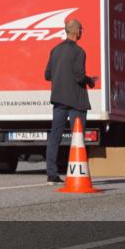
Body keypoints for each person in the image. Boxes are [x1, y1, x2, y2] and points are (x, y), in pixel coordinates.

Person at [43, 19, 95, 186]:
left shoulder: (55, 50)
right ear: (77, 31)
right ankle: (80, 173)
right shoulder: (79, 52)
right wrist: (90, 80)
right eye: (81, 29)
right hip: (76, 101)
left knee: (54, 137)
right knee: (77, 138)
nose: (82, 32)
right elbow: (79, 76)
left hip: (58, 99)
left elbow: (47, 75)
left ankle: (51, 175)